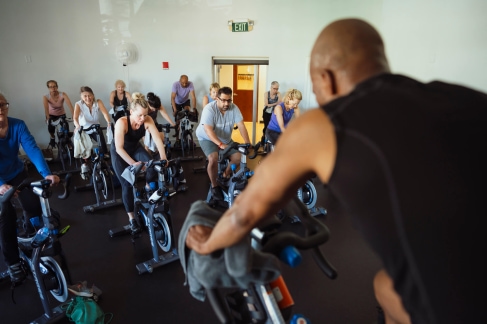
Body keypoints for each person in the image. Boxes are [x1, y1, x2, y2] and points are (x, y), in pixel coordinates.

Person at [185, 18, 487, 324]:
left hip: (454, 310)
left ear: (325, 78)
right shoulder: (464, 97)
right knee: (384, 286)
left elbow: (243, 215)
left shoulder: (324, 123)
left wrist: (207, 243)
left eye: (315, 89)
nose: (317, 98)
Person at [0, 92, 60, 284]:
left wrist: (46, 174)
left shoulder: (17, 125)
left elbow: (32, 149)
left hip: (17, 173)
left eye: (2, 104)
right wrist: (1, 185)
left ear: (7, 106)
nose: (0, 109)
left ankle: (30, 235)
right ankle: (13, 262)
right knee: (6, 217)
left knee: (34, 205)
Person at [111, 92, 167, 234]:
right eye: (139, 115)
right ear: (131, 112)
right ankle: (131, 219)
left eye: (145, 115)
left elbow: (158, 139)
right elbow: (119, 148)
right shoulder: (121, 122)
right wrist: (133, 163)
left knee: (152, 165)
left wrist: (163, 157)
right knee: (127, 184)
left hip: (135, 147)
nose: (142, 119)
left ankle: (148, 188)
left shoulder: (147, 120)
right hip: (120, 152)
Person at [195, 86, 251, 201]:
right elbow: (208, 130)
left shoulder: (234, 108)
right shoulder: (209, 109)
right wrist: (220, 145)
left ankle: (225, 175)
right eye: (223, 100)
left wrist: (247, 142)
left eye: (229, 100)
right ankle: (214, 186)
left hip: (225, 139)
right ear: (217, 98)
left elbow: (241, 125)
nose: (226, 103)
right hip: (207, 138)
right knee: (213, 158)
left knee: (238, 157)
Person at [73, 86, 112, 177]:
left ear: (93, 95)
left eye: (89, 95)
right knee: (84, 151)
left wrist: (108, 122)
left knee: (103, 148)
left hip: (95, 128)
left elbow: (105, 113)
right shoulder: (78, 104)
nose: (87, 98)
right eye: (85, 96)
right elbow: (75, 118)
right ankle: (84, 165)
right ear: (81, 97)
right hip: (84, 129)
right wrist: (77, 126)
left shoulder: (98, 102)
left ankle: (103, 164)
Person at [42, 80, 74, 147]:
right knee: (51, 129)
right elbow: (46, 108)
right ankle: (52, 137)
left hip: (61, 114)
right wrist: (48, 118)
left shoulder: (62, 94)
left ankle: (68, 142)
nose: (53, 88)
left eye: (54, 86)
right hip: (51, 115)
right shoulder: (46, 96)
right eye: (51, 87)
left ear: (57, 87)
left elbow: (70, 105)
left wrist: (74, 115)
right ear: (48, 88)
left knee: (66, 129)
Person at [171, 75, 197, 140]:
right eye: (183, 83)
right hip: (177, 102)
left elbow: (193, 97)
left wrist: (194, 108)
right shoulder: (175, 84)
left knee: (187, 110)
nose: (185, 84)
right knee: (177, 120)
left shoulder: (190, 84)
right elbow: (172, 98)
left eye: (186, 83)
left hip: (185, 101)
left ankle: (187, 128)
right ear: (180, 81)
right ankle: (177, 138)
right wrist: (175, 110)